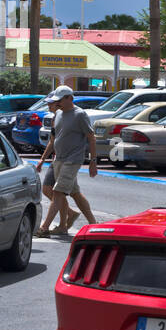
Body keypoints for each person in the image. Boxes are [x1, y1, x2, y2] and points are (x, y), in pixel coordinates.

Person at [35, 86, 98, 236]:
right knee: (75, 193)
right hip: (59, 159)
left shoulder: (80, 114)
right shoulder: (58, 114)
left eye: (60, 100)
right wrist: (42, 159)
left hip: (73, 160)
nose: (58, 103)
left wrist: (93, 161)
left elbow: (91, 137)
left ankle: (44, 228)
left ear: (70, 98)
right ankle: (93, 224)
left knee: (57, 192)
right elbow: (53, 139)